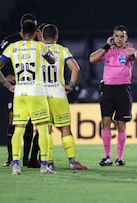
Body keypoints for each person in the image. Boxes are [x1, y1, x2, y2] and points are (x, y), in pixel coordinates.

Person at [0, 21, 56, 175]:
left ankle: (15, 165)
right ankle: (44, 166)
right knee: (42, 128)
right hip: (36, 93)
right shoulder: (39, 46)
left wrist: (8, 85)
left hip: (19, 93)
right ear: (35, 33)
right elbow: (52, 60)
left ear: (21, 31)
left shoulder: (12, 47)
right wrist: (40, 41)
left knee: (18, 129)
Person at [0, 13, 40, 168]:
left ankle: (26, 159)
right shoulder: (11, 41)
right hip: (17, 88)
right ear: (23, 27)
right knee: (14, 122)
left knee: (31, 124)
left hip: (33, 88)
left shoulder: (38, 42)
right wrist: (7, 76)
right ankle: (11, 158)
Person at [89, 25, 137, 166]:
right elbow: (92, 59)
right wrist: (106, 45)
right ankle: (107, 156)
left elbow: (135, 55)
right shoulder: (107, 51)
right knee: (106, 122)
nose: (119, 39)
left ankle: (120, 157)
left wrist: (131, 53)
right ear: (112, 37)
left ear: (126, 37)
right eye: (116, 36)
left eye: (122, 36)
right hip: (108, 90)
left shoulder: (129, 51)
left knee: (121, 124)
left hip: (123, 90)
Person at [41, 24, 87, 170]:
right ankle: (72, 161)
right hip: (58, 93)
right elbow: (76, 69)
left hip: (41, 95)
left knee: (46, 130)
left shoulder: (37, 50)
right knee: (65, 128)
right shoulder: (62, 50)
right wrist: (71, 85)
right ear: (56, 37)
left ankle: (49, 163)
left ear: (42, 36)